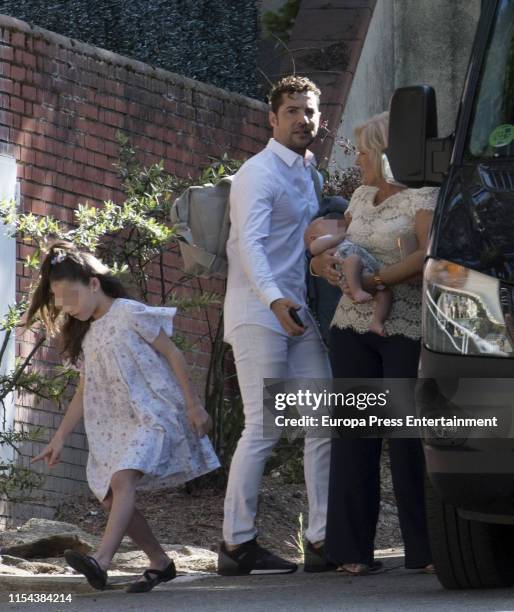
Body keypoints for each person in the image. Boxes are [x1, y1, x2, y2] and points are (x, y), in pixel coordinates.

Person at [29, 241, 220, 592]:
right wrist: (58, 438)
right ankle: (160, 562)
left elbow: (174, 354)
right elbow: (83, 392)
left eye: (71, 296)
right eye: (61, 301)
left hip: (154, 411)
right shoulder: (85, 336)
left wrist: (194, 405)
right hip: (114, 424)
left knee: (121, 480)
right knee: (108, 493)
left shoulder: (131, 313)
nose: (67, 307)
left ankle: (100, 561)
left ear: (94, 284)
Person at [311, 111, 437, 575]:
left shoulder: (423, 196)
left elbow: (427, 254)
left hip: (404, 326)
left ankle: (425, 551)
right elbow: (333, 248)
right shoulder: (360, 197)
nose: (358, 157)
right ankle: (350, 552)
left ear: (386, 153)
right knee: (354, 438)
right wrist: (322, 267)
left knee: (408, 440)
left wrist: (378, 278)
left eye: (364, 149)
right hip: (351, 329)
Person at [219, 76, 333, 575]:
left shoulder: (310, 173)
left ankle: (325, 539)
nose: (302, 120)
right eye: (291, 111)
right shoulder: (257, 173)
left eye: (309, 111)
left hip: (298, 315)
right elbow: (250, 247)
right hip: (258, 313)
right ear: (272, 118)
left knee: (324, 421)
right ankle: (236, 544)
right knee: (263, 427)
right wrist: (274, 301)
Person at [304, 216, 392, 336]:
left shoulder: (340, 234)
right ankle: (357, 291)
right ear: (313, 238)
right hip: (349, 261)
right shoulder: (324, 240)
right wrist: (338, 237)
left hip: (367, 267)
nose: (335, 226)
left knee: (385, 293)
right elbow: (314, 249)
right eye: (327, 225)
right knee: (353, 260)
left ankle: (377, 322)